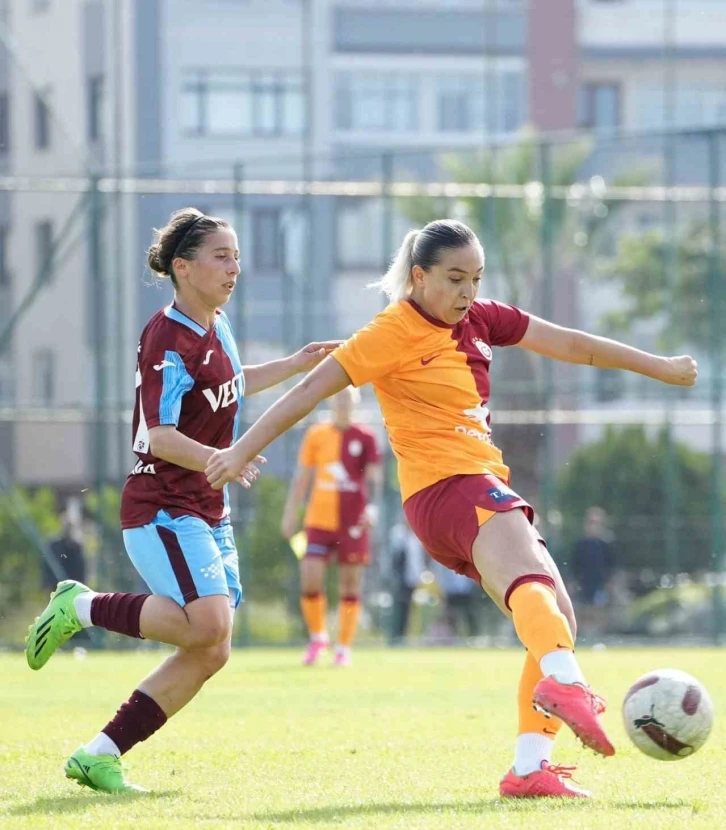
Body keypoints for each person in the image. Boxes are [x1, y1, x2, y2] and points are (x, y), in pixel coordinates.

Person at [206, 218, 698, 799]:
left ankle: (529, 768)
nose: (469, 292)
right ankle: (567, 685)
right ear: (419, 276)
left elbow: (573, 344)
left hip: (462, 490)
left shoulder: (484, 318)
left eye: (476, 279)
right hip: (450, 485)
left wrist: (659, 367)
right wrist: (240, 450)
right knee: (540, 592)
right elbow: (308, 391)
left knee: (553, 616)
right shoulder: (391, 331)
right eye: (455, 278)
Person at [25, 207, 338, 793]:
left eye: (237, 255)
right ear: (183, 267)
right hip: (162, 506)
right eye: (222, 256)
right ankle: (82, 607)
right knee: (209, 625)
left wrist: (294, 366)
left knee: (212, 648)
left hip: (204, 506)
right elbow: (159, 435)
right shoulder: (165, 337)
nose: (234, 267)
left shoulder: (217, 323)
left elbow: (231, 380)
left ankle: (100, 753)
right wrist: (228, 458)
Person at [281, 387, 381, 667]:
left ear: (356, 403)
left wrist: (371, 509)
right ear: (331, 401)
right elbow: (302, 476)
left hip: (353, 521)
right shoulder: (316, 434)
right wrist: (290, 513)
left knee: (350, 585)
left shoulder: (366, 437)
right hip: (318, 520)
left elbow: (373, 479)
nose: (343, 404)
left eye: (348, 399)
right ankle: (318, 637)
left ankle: (344, 647)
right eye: (338, 399)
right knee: (310, 576)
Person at [572, 507, 617, 636]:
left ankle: (598, 636)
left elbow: (612, 565)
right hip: (583, 583)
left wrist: (610, 583)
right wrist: (573, 582)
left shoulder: (606, 545)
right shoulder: (580, 544)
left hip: (600, 584)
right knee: (582, 610)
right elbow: (575, 565)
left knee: (599, 610)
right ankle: (581, 637)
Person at [388, 517, 428, 645]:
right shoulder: (398, 534)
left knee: (410, 610)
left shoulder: (416, 537)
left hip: (414, 579)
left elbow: (420, 559)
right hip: (401, 579)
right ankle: (395, 637)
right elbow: (395, 556)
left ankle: (406, 636)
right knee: (399, 609)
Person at [433, 562, 482, 641]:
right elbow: (440, 575)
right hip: (451, 593)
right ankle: (452, 639)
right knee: (451, 618)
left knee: (469, 616)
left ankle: (473, 638)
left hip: (466, 592)